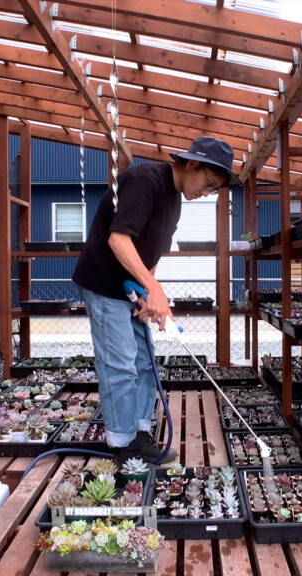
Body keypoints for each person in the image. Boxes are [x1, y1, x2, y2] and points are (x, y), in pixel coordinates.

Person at [73, 137, 241, 465]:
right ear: (192, 163)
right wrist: (155, 289)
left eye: (214, 189)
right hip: (103, 285)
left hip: (128, 288)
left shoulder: (175, 199)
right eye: (208, 183)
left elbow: (150, 251)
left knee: (145, 360)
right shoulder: (144, 181)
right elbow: (118, 240)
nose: (206, 193)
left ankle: (139, 432)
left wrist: (148, 292)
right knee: (119, 363)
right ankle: (122, 446)